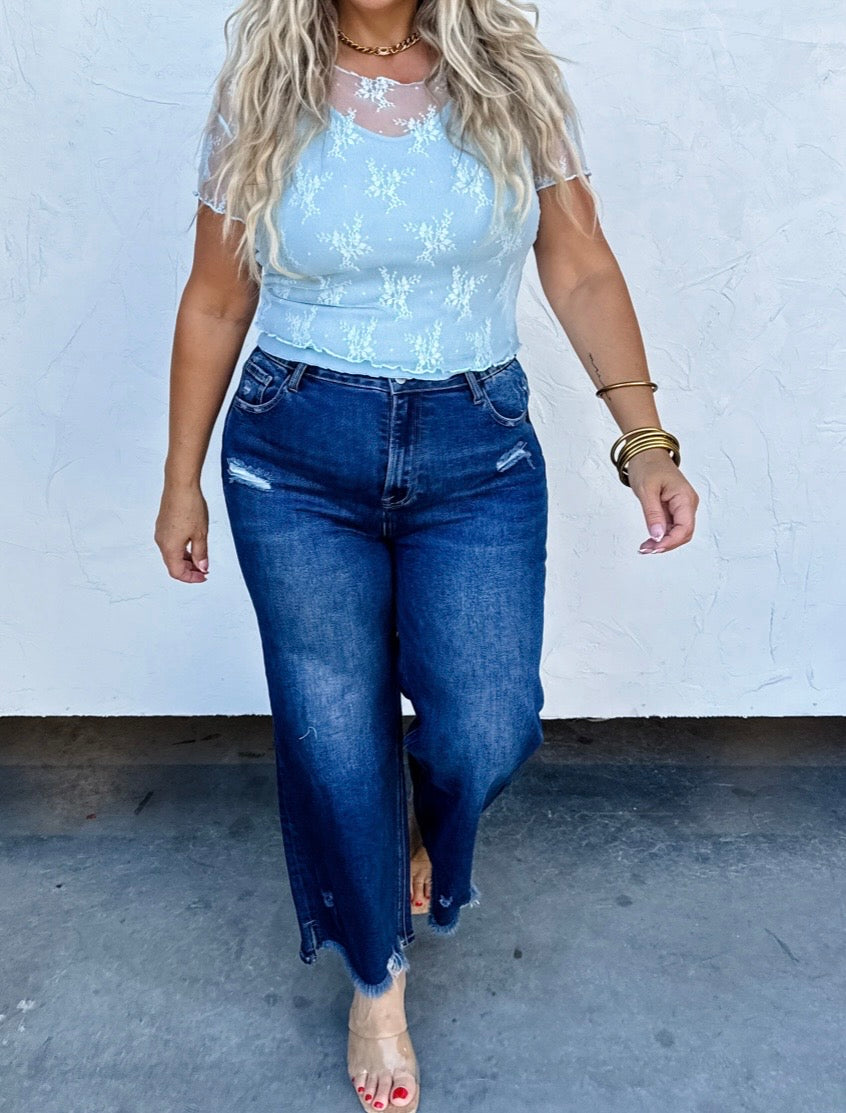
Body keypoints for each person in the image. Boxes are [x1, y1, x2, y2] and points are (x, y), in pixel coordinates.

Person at [154, 1, 700, 1109]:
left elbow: (582, 266)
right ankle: (376, 977)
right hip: (293, 452)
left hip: (475, 448)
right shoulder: (263, 88)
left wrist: (642, 439)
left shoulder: (508, 78)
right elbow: (218, 298)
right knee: (331, 728)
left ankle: (411, 836)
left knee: (487, 720)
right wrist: (181, 479)